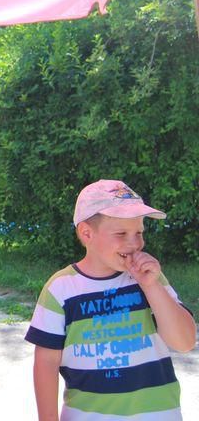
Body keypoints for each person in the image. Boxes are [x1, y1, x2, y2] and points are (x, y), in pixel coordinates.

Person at [25, 179, 196, 420]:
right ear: (87, 233)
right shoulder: (61, 289)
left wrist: (151, 286)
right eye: (121, 233)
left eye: (139, 233)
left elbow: (184, 342)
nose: (134, 243)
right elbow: (46, 363)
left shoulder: (150, 278)